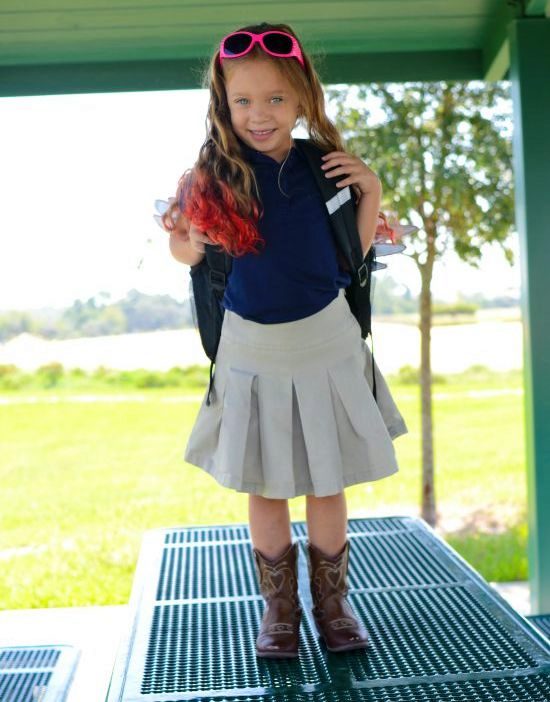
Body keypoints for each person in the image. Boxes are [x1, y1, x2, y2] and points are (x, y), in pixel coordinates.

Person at [162, 21, 408, 659]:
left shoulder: (324, 167)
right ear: (224, 104)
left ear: (302, 99)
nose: (260, 114)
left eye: (275, 98)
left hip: (328, 339)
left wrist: (372, 189)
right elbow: (184, 252)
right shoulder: (209, 177)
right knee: (266, 486)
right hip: (250, 350)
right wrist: (190, 239)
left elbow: (351, 255)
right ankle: (280, 610)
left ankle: (333, 606)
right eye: (243, 100)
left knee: (328, 482)